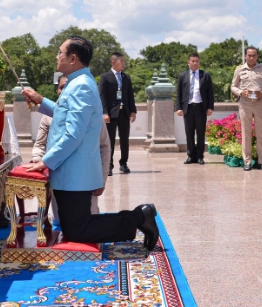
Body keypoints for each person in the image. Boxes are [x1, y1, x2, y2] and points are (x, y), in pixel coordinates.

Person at [22, 36, 159, 251]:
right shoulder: (77, 82)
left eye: (60, 53)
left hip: (76, 173)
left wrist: (46, 161)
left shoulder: (81, 86)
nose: (57, 57)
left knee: (78, 230)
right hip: (71, 171)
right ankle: (138, 217)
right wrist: (41, 100)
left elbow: (73, 134)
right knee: (73, 227)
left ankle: (139, 217)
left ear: (73, 58)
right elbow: (62, 113)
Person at [31, 75, 111, 221]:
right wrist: (37, 160)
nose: (63, 91)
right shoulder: (48, 117)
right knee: (61, 221)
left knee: (88, 222)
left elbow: (104, 148)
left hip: (85, 180)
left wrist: (102, 179)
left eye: (67, 88)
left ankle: (137, 218)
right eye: (61, 88)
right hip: (57, 177)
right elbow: (39, 145)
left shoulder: (93, 115)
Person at [231, 47, 262, 171]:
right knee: (246, 133)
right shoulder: (239, 69)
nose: (251, 57)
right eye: (249, 55)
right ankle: (247, 162)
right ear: (245, 56)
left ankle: (261, 161)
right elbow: (233, 86)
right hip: (245, 103)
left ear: (257, 56)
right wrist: (241, 92)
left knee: (260, 133)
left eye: (254, 55)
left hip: (259, 103)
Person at [98, 52, 137, 175]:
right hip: (110, 114)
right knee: (110, 140)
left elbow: (130, 95)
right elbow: (102, 96)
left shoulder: (126, 77)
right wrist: (104, 113)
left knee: (125, 139)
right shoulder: (105, 77)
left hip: (124, 113)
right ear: (113, 62)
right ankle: (108, 165)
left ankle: (124, 163)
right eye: (121, 61)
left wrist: (133, 110)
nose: (124, 63)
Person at [175, 53, 215, 165]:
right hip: (188, 108)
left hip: (200, 107)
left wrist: (210, 107)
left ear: (199, 62)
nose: (195, 63)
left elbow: (210, 93)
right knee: (189, 133)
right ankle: (190, 155)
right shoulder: (183, 76)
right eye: (192, 61)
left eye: (197, 61)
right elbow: (179, 93)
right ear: (188, 62)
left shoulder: (205, 75)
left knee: (201, 133)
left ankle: (199, 156)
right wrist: (178, 107)